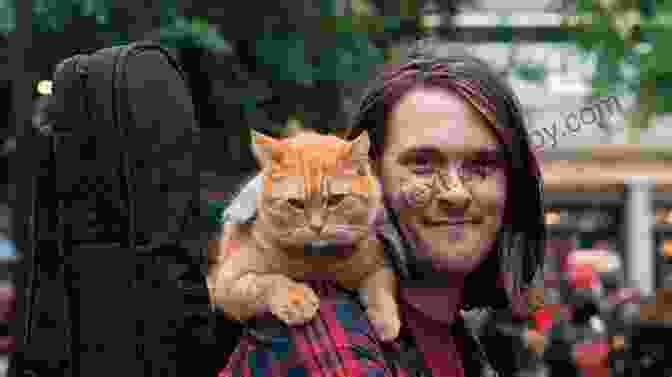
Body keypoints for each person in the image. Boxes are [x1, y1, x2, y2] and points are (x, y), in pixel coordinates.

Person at [209, 44, 546, 377]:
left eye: (480, 166)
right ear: (370, 175)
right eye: (423, 165)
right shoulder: (323, 327)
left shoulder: (454, 338)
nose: (455, 193)